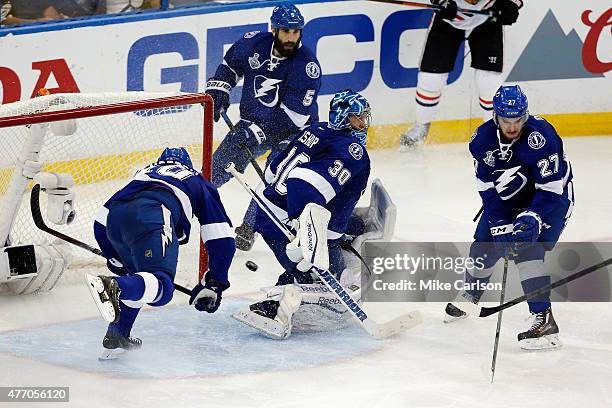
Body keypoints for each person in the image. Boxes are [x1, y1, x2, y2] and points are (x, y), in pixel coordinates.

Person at [232, 90, 378, 339]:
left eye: (364, 117)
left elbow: (272, 170)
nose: (363, 124)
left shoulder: (318, 129)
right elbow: (302, 182)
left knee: (352, 232)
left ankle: (305, 267)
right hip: (289, 226)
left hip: (272, 213)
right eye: (357, 118)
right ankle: (272, 307)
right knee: (325, 278)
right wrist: (304, 231)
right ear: (343, 118)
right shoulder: (352, 151)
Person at [444, 85, 574, 350]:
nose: (513, 127)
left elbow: (551, 188)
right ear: (496, 116)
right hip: (510, 197)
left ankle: (544, 320)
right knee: (483, 242)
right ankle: (472, 292)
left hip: (552, 200)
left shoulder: (542, 137)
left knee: (527, 250)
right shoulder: (481, 140)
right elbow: (486, 187)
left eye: (518, 120)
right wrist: (498, 222)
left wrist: (533, 217)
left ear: (525, 115)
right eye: (506, 121)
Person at [85, 147, 236, 359]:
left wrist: (114, 257)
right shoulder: (197, 180)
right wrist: (215, 283)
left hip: (115, 221)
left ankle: (118, 334)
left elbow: (100, 222)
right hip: (154, 212)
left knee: (139, 278)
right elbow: (222, 240)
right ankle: (114, 287)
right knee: (162, 287)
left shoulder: (144, 174)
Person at [206, 4, 322, 251]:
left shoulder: (307, 67)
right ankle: (187, 201)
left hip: (294, 132)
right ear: (274, 29)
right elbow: (229, 67)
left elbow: (293, 118)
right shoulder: (253, 44)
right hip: (253, 122)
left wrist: (255, 133)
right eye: (286, 31)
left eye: (296, 32)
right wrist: (220, 89)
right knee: (214, 169)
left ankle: (251, 226)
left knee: (273, 176)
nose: (291, 37)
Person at [399, 0, 523, 149]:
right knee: (431, 79)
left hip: (488, 15)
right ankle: (421, 125)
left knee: (488, 80)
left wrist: (512, 3)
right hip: (449, 16)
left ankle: (495, 132)